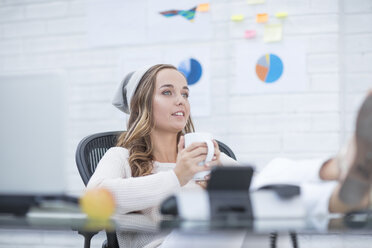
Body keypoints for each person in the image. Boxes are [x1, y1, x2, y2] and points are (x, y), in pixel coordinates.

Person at [87, 64, 372, 247]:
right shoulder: (121, 156)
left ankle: (336, 174)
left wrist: (217, 180)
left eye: (185, 94)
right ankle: (333, 183)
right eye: (167, 92)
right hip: (164, 245)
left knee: (267, 194)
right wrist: (177, 177)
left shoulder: (203, 151)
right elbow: (95, 197)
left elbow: (264, 185)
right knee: (225, 214)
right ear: (141, 105)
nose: (180, 100)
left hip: (215, 239)